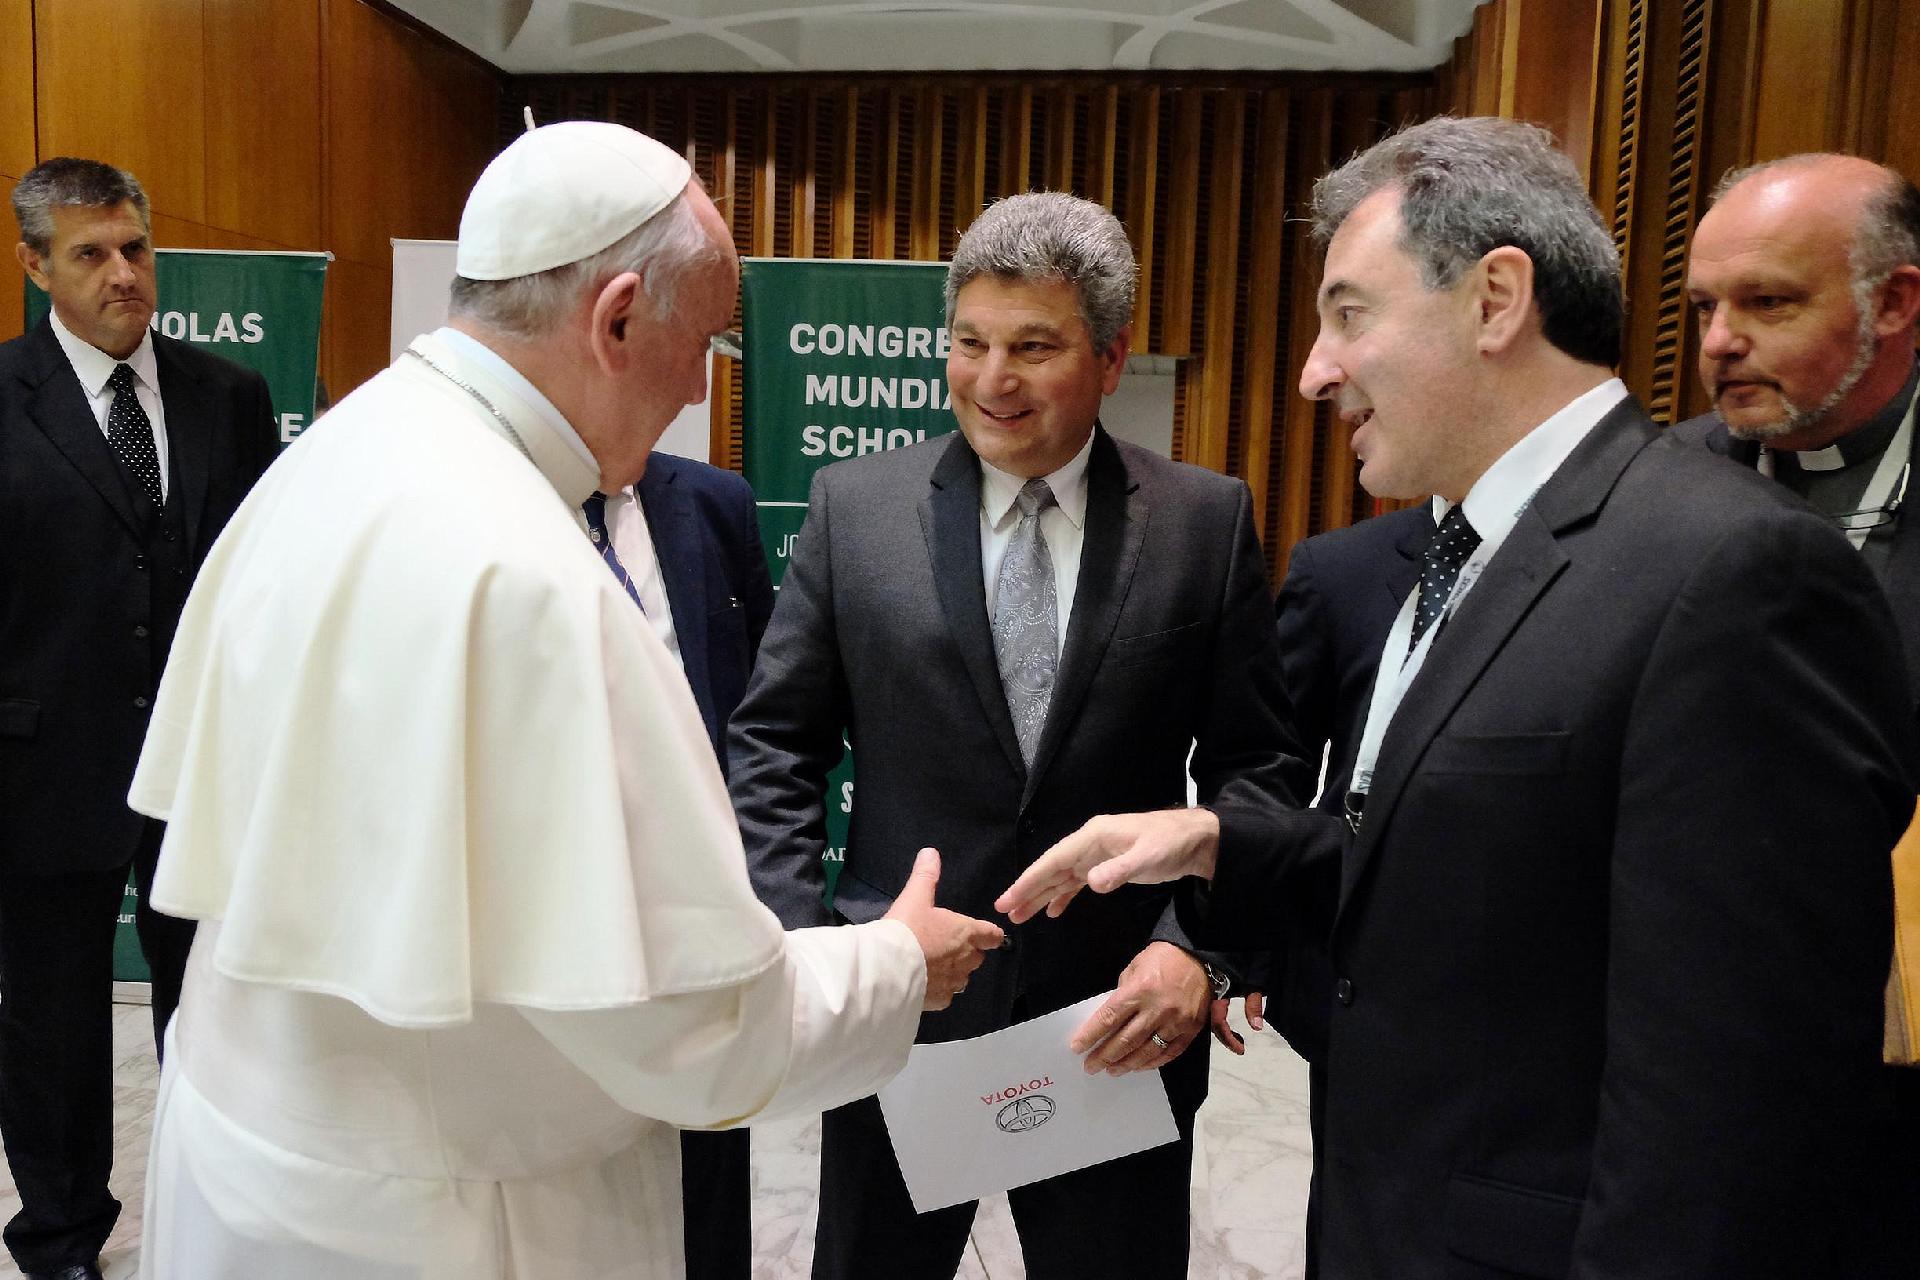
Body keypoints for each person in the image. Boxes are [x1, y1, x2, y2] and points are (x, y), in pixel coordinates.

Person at [999, 116, 1915, 1278]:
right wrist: (1222, 839)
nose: (1313, 370)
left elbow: (1733, 1101)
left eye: (1348, 314)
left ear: (1495, 300)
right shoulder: (1479, 550)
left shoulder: (1736, 573)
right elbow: (1488, 879)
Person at [126, 120, 1003, 1280]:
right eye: (704, 346)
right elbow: (694, 1028)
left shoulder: (339, 453)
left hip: (262, 1166)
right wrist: (899, 961)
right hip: (449, 1219)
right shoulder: (531, 572)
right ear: (619, 315)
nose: (700, 387)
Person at [729, 190, 1304, 1279]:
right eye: (971, 343)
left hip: (1117, 1027)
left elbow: (1254, 770)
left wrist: (1197, 948)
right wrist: (818, 949)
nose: (993, 379)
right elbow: (772, 742)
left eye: (1034, 347)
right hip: (903, 1026)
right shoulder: (857, 510)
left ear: (1111, 354)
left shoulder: (1201, 521)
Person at [0, 157, 279, 1280]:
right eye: (91, 254)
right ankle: (63, 1239)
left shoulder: (230, 397)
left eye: (135, 248)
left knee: (214, 1010)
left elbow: (266, 580)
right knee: (52, 1023)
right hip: (40, 769)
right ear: (33, 266)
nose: (124, 273)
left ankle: (211, 1218)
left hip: (203, 770)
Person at [1677, 149, 1920, 1267]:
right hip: (1681, 1061)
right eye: (1705, 306)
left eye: (1767, 301)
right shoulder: (1648, 487)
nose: (1720, 340)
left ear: (1898, 301)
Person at [589, 454, 776, 1279]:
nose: (699, 381)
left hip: (702, 896)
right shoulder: (499, 497)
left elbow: (769, 699)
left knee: (709, 1147)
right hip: (566, 895)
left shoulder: (711, 501)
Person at [1266, 501, 1432, 1279]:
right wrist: (1240, 942)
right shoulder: (1341, 569)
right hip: (1353, 980)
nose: (1323, 380)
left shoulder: (1630, 549)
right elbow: (1271, 768)